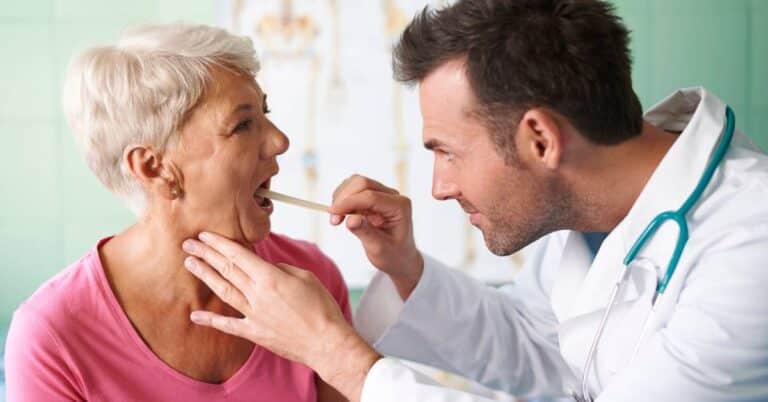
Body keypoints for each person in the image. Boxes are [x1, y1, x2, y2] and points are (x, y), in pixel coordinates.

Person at [181, 0, 768, 401]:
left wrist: (336, 355)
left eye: (448, 152)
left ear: (540, 139)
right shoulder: (583, 211)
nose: (439, 186)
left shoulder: (750, 248)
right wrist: (405, 267)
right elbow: (538, 343)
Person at [4, 23, 350, 401]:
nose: (279, 141)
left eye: (265, 112)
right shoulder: (53, 337)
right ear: (153, 167)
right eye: (243, 124)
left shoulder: (310, 281)